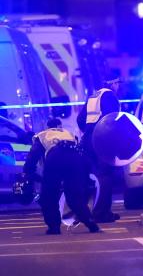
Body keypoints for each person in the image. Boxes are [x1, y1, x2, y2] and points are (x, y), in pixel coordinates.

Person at [24, 118, 100, 234]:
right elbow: (81, 152)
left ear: (47, 126)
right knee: (75, 196)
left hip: (55, 157)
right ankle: (91, 223)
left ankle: (54, 227)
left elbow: (33, 156)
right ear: (60, 126)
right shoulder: (69, 134)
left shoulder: (42, 135)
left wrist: (28, 172)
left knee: (49, 195)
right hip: (75, 157)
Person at [77, 77, 121, 223]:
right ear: (113, 83)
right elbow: (112, 119)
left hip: (89, 139)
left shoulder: (94, 96)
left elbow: (80, 119)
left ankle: (84, 212)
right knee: (106, 176)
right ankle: (101, 213)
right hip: (102, 139)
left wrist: (89, 131)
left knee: (90, 177)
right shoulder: (110, 96)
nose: (118, 87)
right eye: (118, 84)